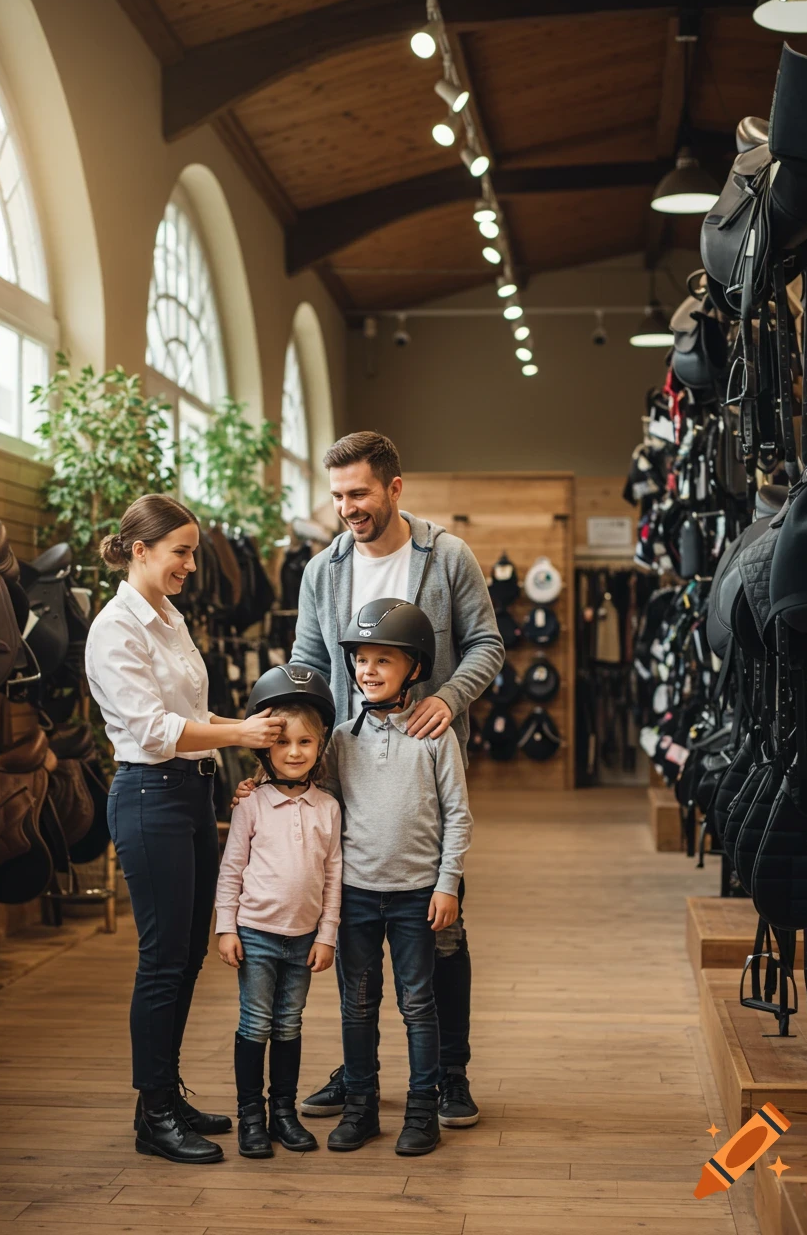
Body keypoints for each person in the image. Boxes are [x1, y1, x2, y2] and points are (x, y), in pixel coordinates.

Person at [291, 431, 504, 1127]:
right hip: (346, 770)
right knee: (354, 926)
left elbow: (487, 644)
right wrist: (301, 750)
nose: (348, 507)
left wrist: (448, 697)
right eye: (338, 496)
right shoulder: (324, 570)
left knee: (438, 929)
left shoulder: (445, 557)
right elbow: (308, 660)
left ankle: (450, 1073)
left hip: (422, 764)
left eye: (359, 493)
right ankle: (358, 1074)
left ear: (393, 488)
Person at [86, 494, 286, 1166]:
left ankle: (165, 1092)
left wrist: (235, 743)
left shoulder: (169, 618)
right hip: (150, 796)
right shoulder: (117, 628)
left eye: (193, 552)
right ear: (139, 550)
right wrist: (239, 731)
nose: (192, 566)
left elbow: (189, 711)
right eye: (181, 552)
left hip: (192, 793)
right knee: (162, 961)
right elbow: (154, 730)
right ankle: (153, 1115)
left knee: (188, 955)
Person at [321, 599, 473, 1156]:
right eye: (361, 660)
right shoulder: (341, 738)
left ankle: (421, 1110)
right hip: (357, 895)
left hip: (416, 897)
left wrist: (447, 883)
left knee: (418, 1005)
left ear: (414, 668)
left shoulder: (435, 736)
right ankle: (360, 1109)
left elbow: (458, 815)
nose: (368, 671)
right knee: (357, 1005)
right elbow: (327, 812)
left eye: (383, 661)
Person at [215, 665, 341, 1159]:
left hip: (304, 938)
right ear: (264, 746)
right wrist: (226, 927)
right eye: (284, 742)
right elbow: (231, 870)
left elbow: (333, 877)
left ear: (319, 747)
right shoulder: (251, 804)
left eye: (306, 743)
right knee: (255, 1024)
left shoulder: (328, 808)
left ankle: (283, 1113)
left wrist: (327, 934)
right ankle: (252, 1117)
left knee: (289, 1024)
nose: (294, 752)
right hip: (257, 934)